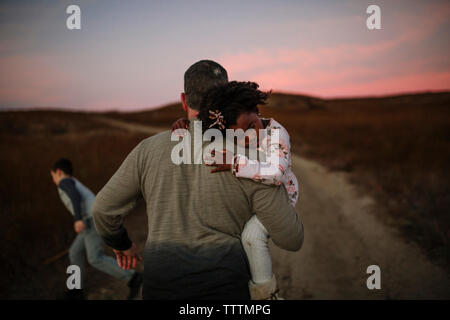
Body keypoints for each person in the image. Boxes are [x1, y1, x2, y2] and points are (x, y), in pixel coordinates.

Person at [92, 60, 304, 299]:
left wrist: (122, 244)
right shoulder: (252, 156)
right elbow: (291, 238)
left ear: (184, 100)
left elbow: (102, 209)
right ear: (226, 100)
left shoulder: (147, 150)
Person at [173, 81, 299, 299]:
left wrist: (235, 164)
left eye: (251, 126)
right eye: (238, 136)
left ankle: (267, 295)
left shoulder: (276, 134)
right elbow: (207, 130)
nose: (249, 137)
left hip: (282, 193)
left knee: (252, 235)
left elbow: (276, 173)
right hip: (253, 192)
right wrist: (185, 124)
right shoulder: (232, 128)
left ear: (256, 111)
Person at [50, 158, 143, 300]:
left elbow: (75, 197)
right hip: (90, 221)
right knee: (75, 252)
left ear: (59, 172)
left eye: (53, 176)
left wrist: (78, 219)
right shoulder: (73, 181)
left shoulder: (65, 182)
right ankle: (76, 290)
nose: (54, 180)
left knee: (95, 258)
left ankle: (133, 277)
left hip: (91, 221)